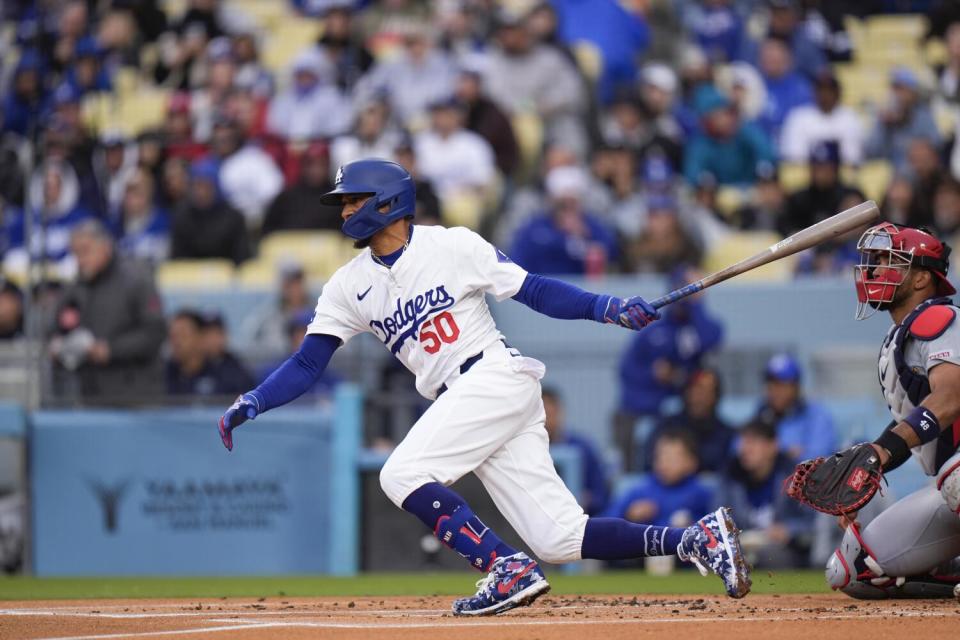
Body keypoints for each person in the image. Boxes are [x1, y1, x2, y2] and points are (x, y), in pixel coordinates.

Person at [217, 158, 750, 616]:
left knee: (402, 473)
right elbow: (309, 363)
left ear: (386, 201)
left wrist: (604, 308)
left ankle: (503, 567)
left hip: (491, 376)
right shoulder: (347, 285)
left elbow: (533, 290)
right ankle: (695, 539)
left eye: (353, 200)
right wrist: (255, 399)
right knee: (559, 538)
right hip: (473, 397)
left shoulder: (452, 246)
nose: (345, 212)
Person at [811, 222, 960, 598]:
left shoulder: (940, 319)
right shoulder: (902, 334)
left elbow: (949, 399)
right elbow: (912, 429)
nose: (874, 270)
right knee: (855, 570)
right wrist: (868, 466)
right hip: (951, 487)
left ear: (923, 278)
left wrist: (883, 450)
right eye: (874, 260)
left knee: (954, 476)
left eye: (888, 261)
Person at [615, 269, 724, 470]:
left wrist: (697, 302)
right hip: (649, 407)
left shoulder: (700, 325)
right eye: (679, 289)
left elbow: (710, 339)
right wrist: (654, 375)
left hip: (688, 411)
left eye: (687, 291)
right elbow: (627, 371)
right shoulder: (653, 329)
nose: (682, 296)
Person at [49, 221, 166, 403]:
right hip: (89, 393)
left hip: (134, 395)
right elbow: (58, 325)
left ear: (105, 247)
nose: (80, 260)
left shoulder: (137, 279)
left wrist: (110, 350)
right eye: (76, 253)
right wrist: (57, 344)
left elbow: (155, 333)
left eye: (85, 251)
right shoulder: (75, 286)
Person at [719, 418, 815, 568]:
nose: (745, 449)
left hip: (782, 549)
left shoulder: (795, 478)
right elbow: (716, 519)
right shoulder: (731, 476)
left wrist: (788, 530)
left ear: (773, 446)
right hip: (741, 547)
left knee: (771, 555)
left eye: (753, 442)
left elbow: (813, 522)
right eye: (743, 442)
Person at [605, 430, 713, 529]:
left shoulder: (700, 494)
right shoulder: (641, 489)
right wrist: (629, 515)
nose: (664, 462)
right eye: (659, 456)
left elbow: (713, 530)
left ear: (691, 462)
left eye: (672, 458)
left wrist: (691, 524)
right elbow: (607, 520)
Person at [645, 368, 735, 473]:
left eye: (706, 391)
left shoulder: (727, 433)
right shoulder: (665, 426)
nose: (699, 397)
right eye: (695, 390)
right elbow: (649, 461)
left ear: (716, 396)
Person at [541, 387, 609, 517]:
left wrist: (588, 499)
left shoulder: (583, 447)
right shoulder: (525, 451)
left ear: (560, 411)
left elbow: (600, 494)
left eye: (550, 413)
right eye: (541, 415)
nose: (545, 420)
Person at [756, 353, 836, 462]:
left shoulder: (816, 415)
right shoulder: (763, 411)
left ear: (796, 387)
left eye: (780, 384)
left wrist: (774, 454)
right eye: (770, 384)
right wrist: (786, 452)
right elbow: (740, 448)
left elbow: (819, 459)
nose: (773, 390)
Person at [170, 158, 251, 264]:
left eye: (207, 187)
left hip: (227, 278)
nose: (201, 193)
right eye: (197, 186)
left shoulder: (234, 218)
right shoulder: (181, 215)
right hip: (190, 277)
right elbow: (177, 259)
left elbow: (242, 258)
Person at [262, 142, 341, 235]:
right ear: (303, 166)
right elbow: (269, 234)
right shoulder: (286, 198)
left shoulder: (338, 200)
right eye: (310, 164)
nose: (316, 170)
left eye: (321, 164)